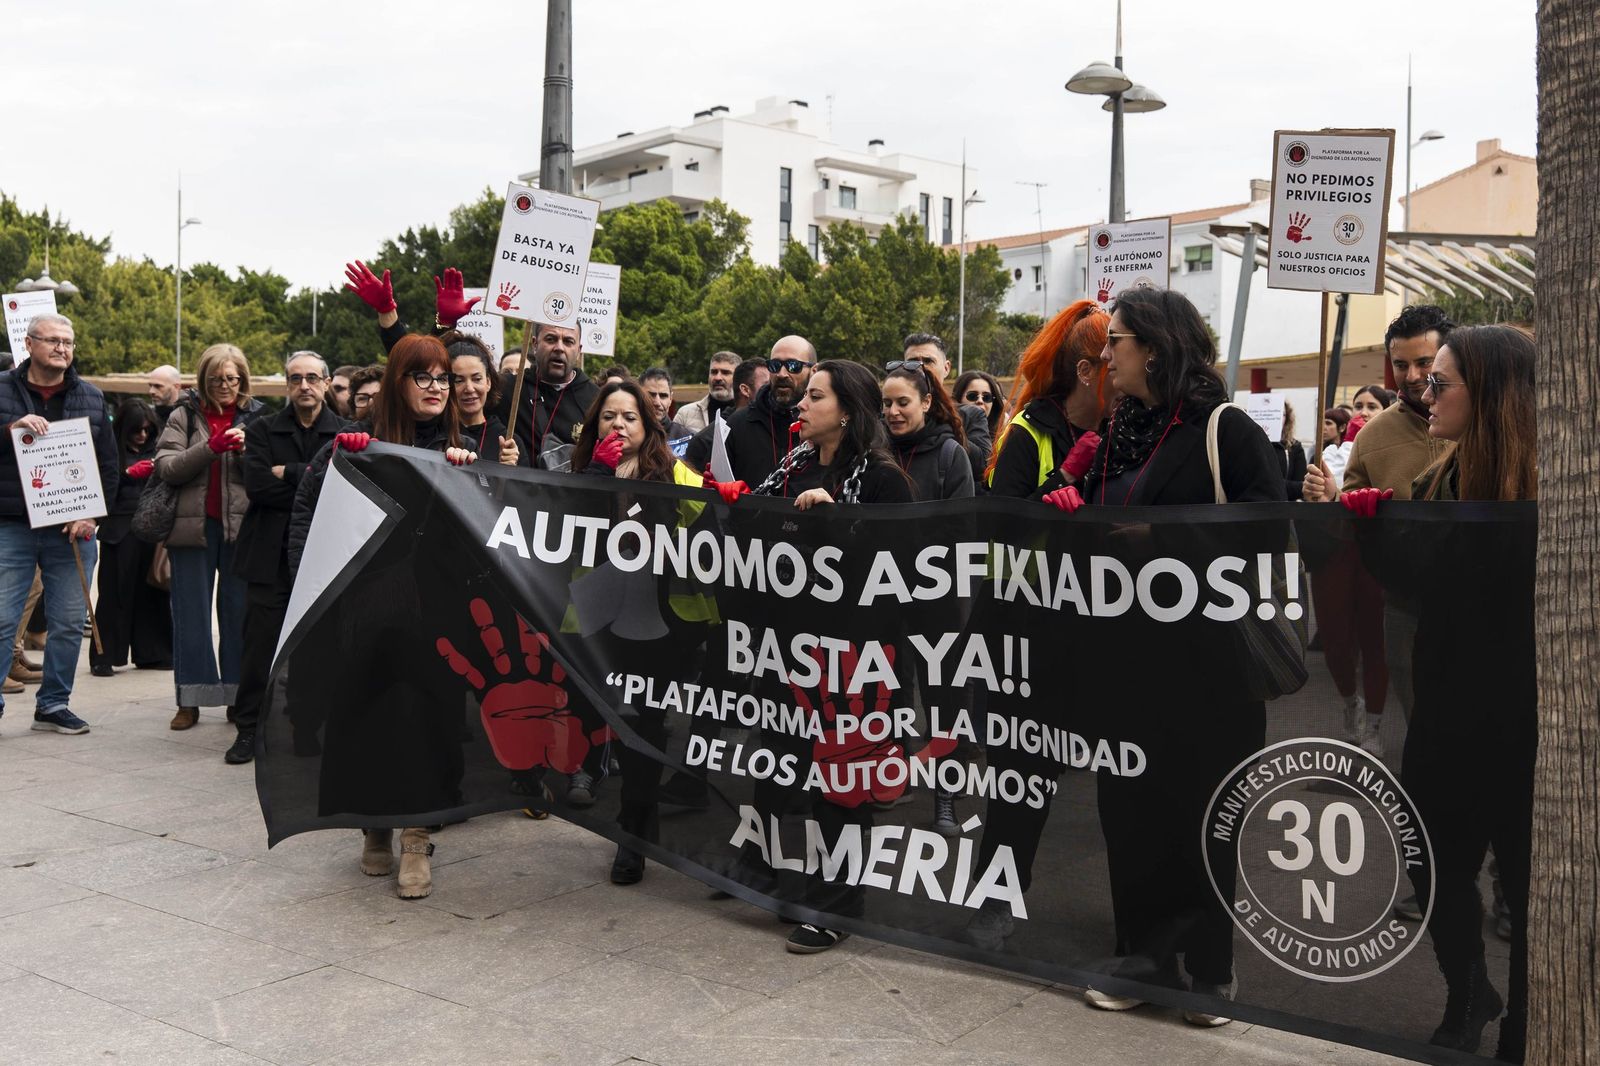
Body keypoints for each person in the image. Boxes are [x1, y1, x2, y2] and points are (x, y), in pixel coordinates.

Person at [1067, 287, 1281, 1026]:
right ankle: (1145, 961)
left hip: (1210, 672)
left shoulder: (1223, 429)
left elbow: (1268, 531)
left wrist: (1160, 543)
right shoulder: (1115, 431)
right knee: (1131, 817)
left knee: (1203, 817)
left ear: (1154, 348)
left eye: (1116, 341)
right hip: (1126, 666)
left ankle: (1210, 971)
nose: (1105, 355)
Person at [1344, 324, 1535, 1061]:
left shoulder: (1564, 485)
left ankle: (1523, 1024)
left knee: (1527, 887)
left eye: (1441, 381)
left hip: (1531, 722)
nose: (1424, 393)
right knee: (1430, 865)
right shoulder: (1439, 478)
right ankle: (1468, 995)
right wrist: (1371, 530)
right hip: (1448, 709)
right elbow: (1417, 585)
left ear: (1486, 393)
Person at [289, 334, 481, 901]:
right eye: (422, 377)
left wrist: (473, 478)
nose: (437, 389)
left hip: (439, 612)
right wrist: (338, 466)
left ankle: (419, 835)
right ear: (397, 384)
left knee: (431, 721)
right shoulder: (355, 444)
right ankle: (373, 824)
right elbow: (310, 516)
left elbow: (489, 530)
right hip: (367, 609)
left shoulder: (463, 447)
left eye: (443, 378)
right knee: (368, 716)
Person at [741, 359, 911, 955]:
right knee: (784, 765)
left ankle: (837, 907)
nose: (800, 405)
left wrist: (838, 518)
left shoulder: (884, 478)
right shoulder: (793, 466)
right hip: (794, 652)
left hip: (857, 663)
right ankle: (767, 873)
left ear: (846, 408)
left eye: (814, 396)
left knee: (843, 784)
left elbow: (902, 572)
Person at [568, 379, 710, 884]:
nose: (620, 425)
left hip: (659, 628)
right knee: (601, 717)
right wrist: (599, 481)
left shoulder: (673, 473)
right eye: (609, 416)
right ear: (595, 424)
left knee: (643, 728)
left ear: (649, 426)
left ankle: (634, 836)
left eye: (630, 416)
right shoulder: (580, 474)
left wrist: (728, 498)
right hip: (599, 623)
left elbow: (710, 520)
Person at [0, 313, 118, 734]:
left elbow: (107, 466)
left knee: (68, 623)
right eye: (53, 341)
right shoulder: (2, 391)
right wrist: (10, 430)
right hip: (11, 525)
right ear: (29, 344)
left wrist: (92, 514)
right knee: (2, 616)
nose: (62, 349)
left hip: (72, 529)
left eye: (68, 342)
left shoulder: (91, 397)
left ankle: (53, 705)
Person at [226, 351, 343, 765]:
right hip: (266, 556)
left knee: (317, 648)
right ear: (286, 385)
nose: (304, 386)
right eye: (296, 378)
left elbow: (340, 491)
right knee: (260, 649)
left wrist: (290, 473)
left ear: (327, 383)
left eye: (313, 378)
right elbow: (257, 486)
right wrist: (311, 480)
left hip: (322, 554)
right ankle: (248, 731)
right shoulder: (260, 429)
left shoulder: (344, 433)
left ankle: (307, 729)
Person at [153, 343, 265, 730]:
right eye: (217, 379)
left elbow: (270, 472)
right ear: (204, 378)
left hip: (241, 530)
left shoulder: (259, 417)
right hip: (191, 531)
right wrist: (210, 447)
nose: (226, 386)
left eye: (233, 379)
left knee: (239, 615)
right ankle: (191, 698)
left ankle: (238, 697)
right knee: (190, 616)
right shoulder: (183, 415)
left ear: (243, 379)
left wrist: (251, 453)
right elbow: (167, 467)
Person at [987, 300, 1111, 500]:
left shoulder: (1123, 428)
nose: (1122, 378)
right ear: (1085, 371)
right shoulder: (1026, 432)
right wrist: (1065, 475)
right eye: (1111, 368)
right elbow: (1003, 523)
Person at [90, 397, 172, 677]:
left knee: (152, 591)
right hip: (119, 529)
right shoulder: (110, 452)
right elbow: (98, 487)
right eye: (137, 430)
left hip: (150, 527)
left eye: (147, 430)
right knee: (114, 593)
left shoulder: (157, 449)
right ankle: (104, 655)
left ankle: (153, 652)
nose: (142, 435)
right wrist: (126, 475)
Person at [720, 336, 816, 489]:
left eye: (793, 365)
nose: (781, 374)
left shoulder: (826, 426)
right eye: (775, 365)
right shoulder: (737, 424)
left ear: (813, 371)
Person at [899, 332, 991, 481]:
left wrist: (947, 421)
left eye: (928, 361)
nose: (921, 368)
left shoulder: (970, 415)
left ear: (946, 368)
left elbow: (982, 467)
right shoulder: (893, 414)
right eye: (913, 362)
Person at [881, 361, 974, 501]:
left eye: (903, 403)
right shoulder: (874, 450)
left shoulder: (950, 455)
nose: (893, 412)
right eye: (887, 404)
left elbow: (961, 520)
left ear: (926, 402)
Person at [682, 357, 770, 473]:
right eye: (767, 385)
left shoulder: (774, 428)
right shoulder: (704, 441)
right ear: (745, 390)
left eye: (725, 372)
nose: (772, 390)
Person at [446, 334, 519, 465]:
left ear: (488, 382)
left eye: (477, 379)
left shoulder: (510, 442)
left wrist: (508, 473)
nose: (469, 388)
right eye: (459, 380)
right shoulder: (437, 435)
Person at [674, 351, 740, 433]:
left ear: (739, 378)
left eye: (725, 373)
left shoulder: (749, 415)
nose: (718, 378)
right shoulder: (685, 414)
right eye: (714, 372)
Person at [638, 366, 693, 450]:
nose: (657, 402)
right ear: (638, 396)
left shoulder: (687, 438)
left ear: (670, 399)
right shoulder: (627, 435)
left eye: (663, 396)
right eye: (651, 395)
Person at [1271, 403, 1308, 502]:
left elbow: (1301, 486)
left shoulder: (1294, 447)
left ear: (1286, 418)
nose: (1276, 419)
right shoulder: (1250, 445)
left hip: (1285, 507)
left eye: (1281, 414)